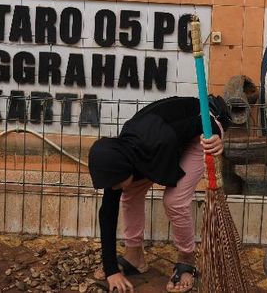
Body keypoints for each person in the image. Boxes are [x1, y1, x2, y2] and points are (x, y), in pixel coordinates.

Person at [88, 96, 228, 293]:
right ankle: (134, 258)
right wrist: (111, 270)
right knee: (130, 193)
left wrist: (216, 138)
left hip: (201, 129)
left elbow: (204, 123)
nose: (113, 187)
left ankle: (187, 260)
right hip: (167, 141)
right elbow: (107, 213)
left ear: (126, 169)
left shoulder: (159, 140)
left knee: (174, 200)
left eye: (115, 183)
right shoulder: (117, 158)